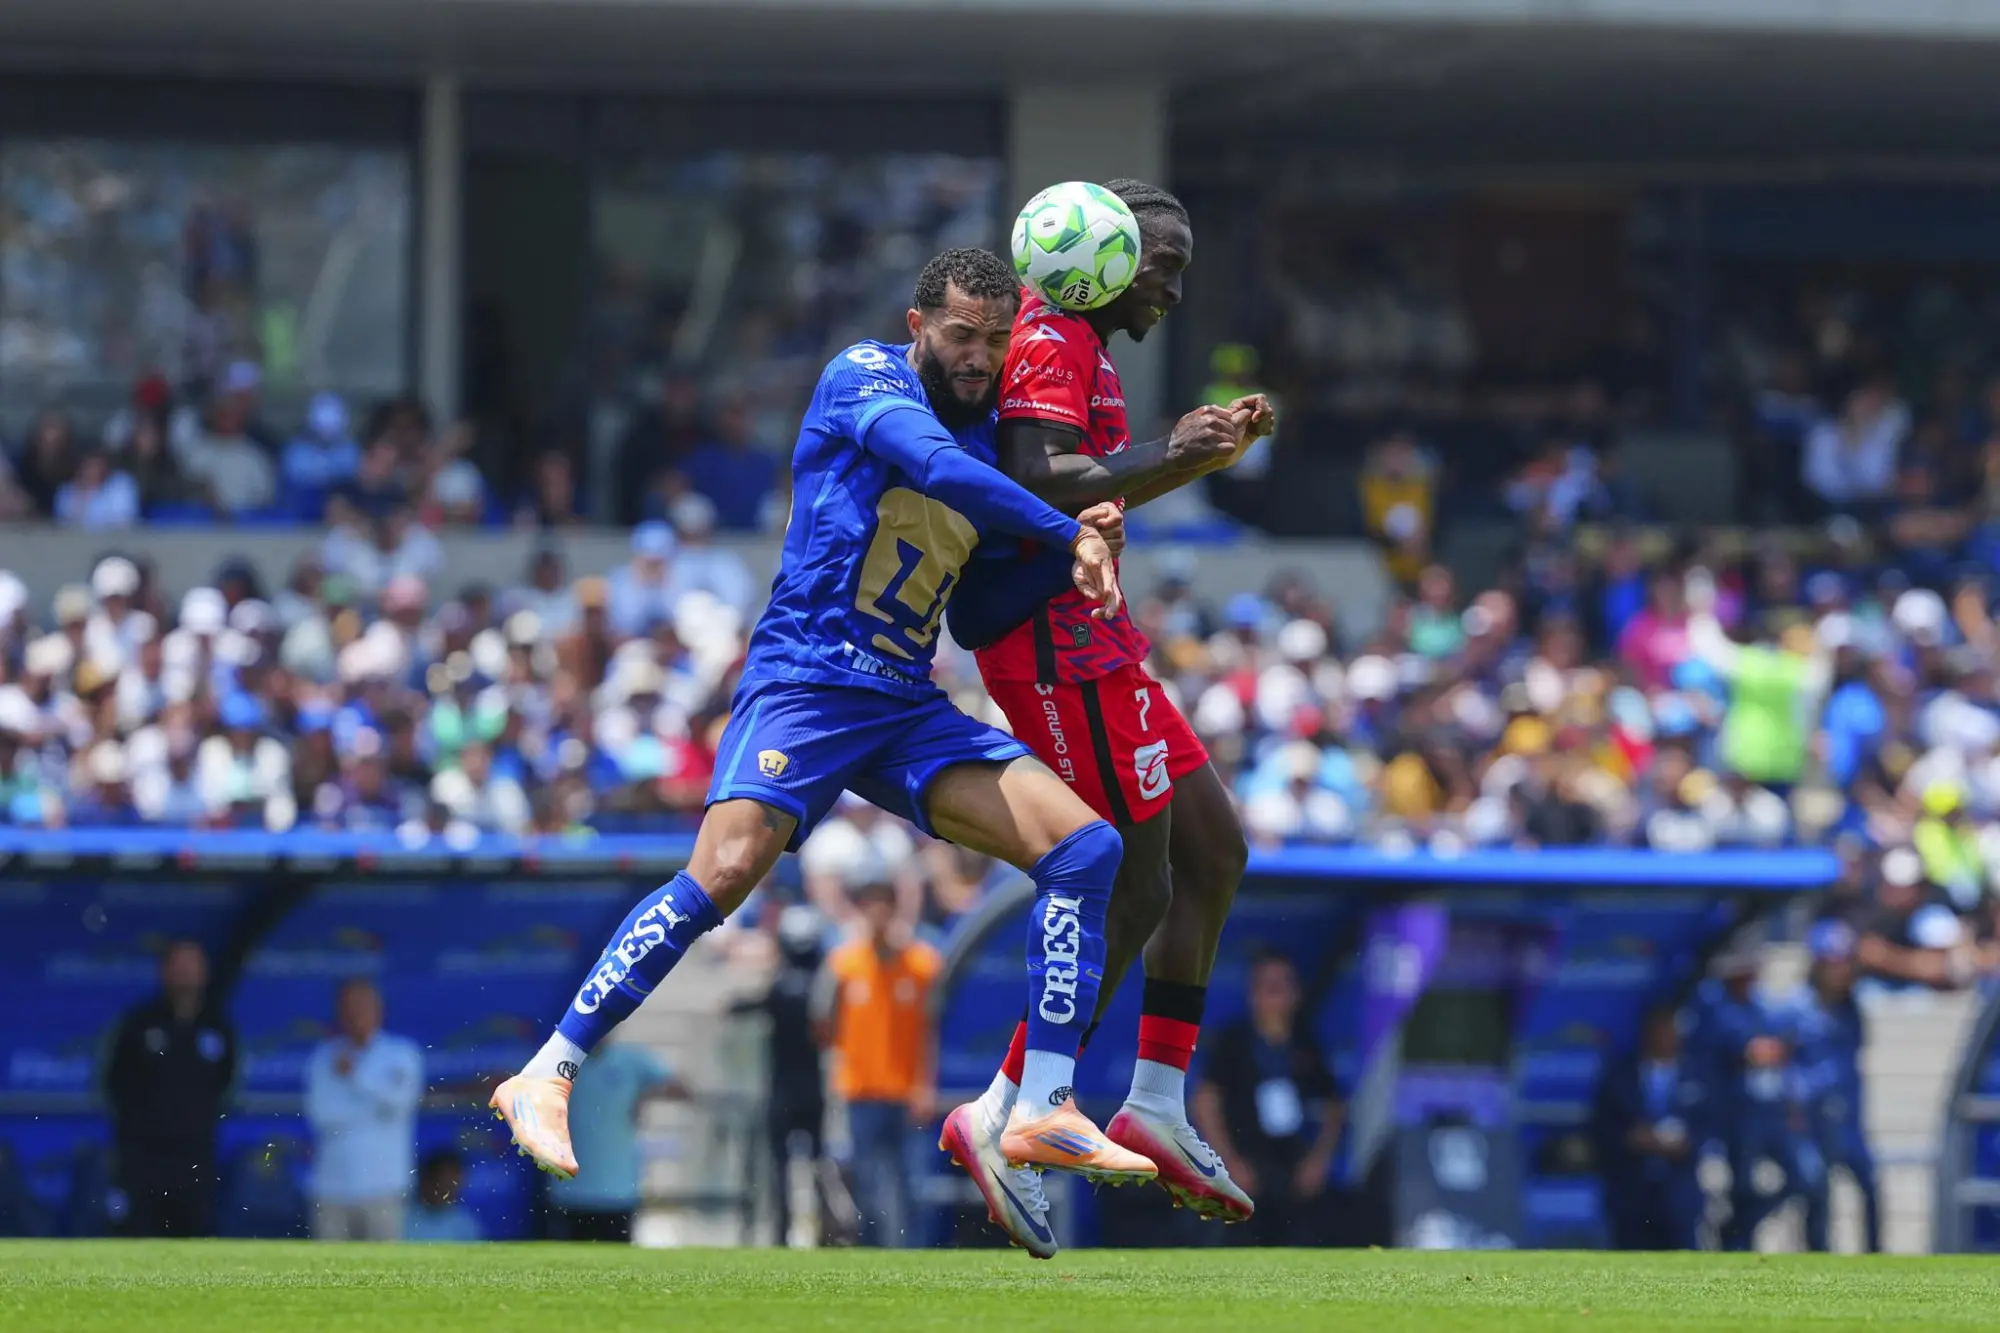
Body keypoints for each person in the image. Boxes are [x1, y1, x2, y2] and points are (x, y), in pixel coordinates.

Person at [488, 248, 1145, 1261]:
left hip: (904, 700)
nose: (975, 359)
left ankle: (1039, 1105)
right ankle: (549, 1068)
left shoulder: (992, 441)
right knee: (724, 871)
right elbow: (927, 467)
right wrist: (1065, 532)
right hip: (807, 681)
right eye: (959, 336)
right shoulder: (863, 375)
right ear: (918, 324)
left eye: (991, 342)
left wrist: (1091, 537)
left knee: (1087, 850)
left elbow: (973, 611)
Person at [941, 180, 1270, 1249]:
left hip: (1098, 637)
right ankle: (1008, 1109)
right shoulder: (1048, 338)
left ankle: (1157, 1099)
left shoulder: (1082, 343)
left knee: (1213, 849)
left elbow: (1084, 487)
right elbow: (1038, 477)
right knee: (1132, 878)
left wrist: (1194, 453)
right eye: (1160, 263)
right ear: (1106, 258)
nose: (1172, 285)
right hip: (1050, 647)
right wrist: (1183, 454)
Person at [814, 871, 942, 1248]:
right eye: (870, 904)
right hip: (860, 1089)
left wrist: (925, 1085)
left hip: (906, 1092)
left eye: (884, 903)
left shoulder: (922, 964)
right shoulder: (844, 964)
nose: (877, 913)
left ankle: (915, 1256)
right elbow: (823, 1022)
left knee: (913, 1185)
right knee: (867, 1186)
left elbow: (931, 1032)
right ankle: (871, 1257)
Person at [1189, 952, 1342, 1247]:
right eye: (1266, 987)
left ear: (1295, 994)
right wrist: (1226, 1161)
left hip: (1293, 1162)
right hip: (1244, 1156)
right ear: (1253, 994)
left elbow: (1334, 1105)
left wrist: (1319, 1159)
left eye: (1281, 987)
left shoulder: (1305, 1043)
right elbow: (1205, 1101)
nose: (1274, 996)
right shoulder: (1233, 1042)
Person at [101, 940, 236, 1237]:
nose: (186, 973)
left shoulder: (218, 1026)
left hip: (195, 1159)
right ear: (165, 971)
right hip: (143, 1160)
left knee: (193, 1246)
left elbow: (230, 1085)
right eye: (179, 965)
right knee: (137, 1241)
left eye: (193, 966)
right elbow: (111, 1083)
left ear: (205, 972)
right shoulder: (137, 1023)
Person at [303, 978, 425, 1241]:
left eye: (363, 1006)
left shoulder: (402, 1054)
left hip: (385, 1186)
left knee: (384, 1275)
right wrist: (374, 1108)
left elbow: (401, 1104)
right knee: (328, 1275)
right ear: (339, 1012)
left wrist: (356, 1077)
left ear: (379, 1009)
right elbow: (321, 1115)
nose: (356, 1014)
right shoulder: (323, 1057)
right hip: (332, 1187)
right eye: (349, 1007)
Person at [1786, 922, 1880, 1253]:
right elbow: (1785, 1063)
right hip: (1812, 1120)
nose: (1841, 971)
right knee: (1816, 1192)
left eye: (1845, 961)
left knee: (1871, 1186)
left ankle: (1876, 1259)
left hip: (1848, 1117)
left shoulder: (1852, 1009)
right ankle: (1816, 1258)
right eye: (1833, 962)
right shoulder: (1795, 1008)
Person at [1593, 1006, 1704, 1251]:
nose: (1663, 1038)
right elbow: (1600, 1126)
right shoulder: (1619, 1075)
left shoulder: (1698, 1075)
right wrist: (1630, 1139)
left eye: (1668, 1031)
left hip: (1679, 1187)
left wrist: (1687, 1143)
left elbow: (1712, 1122)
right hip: (1630, 1189)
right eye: (1657, 1032)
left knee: (1683, 1259)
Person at [543, 1038, 675, 1242]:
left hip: (617, 1192)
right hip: (568, 1191)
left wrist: (646, 1095)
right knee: (566, 1266)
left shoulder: (632, 1061)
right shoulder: (555, 1062)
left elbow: (681, 1088)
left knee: (616, 1265)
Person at [403, 1150, 484, 1243]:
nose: (451, 1187)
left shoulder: (465, 1224)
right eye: (446, 1180)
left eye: (455, 1182)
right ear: (429, 1179)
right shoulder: (402, 1217)